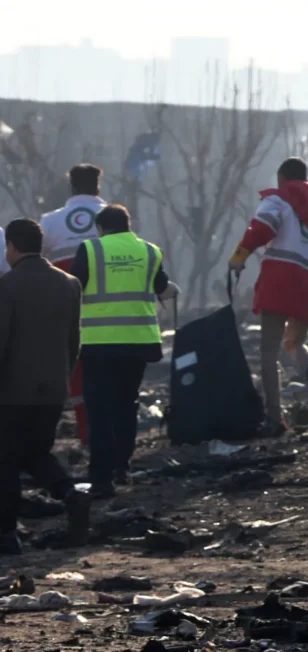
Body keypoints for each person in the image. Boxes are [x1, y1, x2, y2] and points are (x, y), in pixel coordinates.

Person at [229, 158, 308, 436]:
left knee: (268, 351)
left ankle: (275, 418)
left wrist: (238, 257)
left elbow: (261, 230)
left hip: (279, 286)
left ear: (282, 178)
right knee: (294, 342)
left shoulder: (277, 203)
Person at [71, 205, 178, 499]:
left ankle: (101, 478)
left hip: (98, 342)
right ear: (128, 225)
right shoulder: (150, 251)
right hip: (137, 341)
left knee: (100, 409)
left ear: (101, 228)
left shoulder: (91, 249)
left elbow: (74, 288)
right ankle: (121, 467)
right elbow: (163, 288)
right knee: (126, 404)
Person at [0, 219, 91, 554]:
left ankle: (7, 535)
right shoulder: (69, 284)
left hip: (12, 390)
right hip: (52, 388)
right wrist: (62, 377)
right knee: (36, 453)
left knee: (6, 461)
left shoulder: (7, 286)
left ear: (12, 247)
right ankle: (71, 494)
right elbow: (73, 340)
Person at [40, 164, 107, 446]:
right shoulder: (113, 217)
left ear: (71, 187)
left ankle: (86, 435)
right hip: (108, 311)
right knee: (107, 375)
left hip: (66, 309)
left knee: (75, 373)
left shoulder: (50, 221)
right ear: (97, 186)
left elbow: (38, 261)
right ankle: (107, 437)